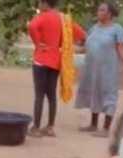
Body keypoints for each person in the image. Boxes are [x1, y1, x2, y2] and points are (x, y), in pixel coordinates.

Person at [76, 2, 123, 137]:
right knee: (94, 93)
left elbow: (122, 51)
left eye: (102, 10)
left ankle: (105, 129)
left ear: (110, 14)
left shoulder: (117, 29)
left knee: (109, 96)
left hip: (108, 70)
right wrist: (71, 51)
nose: (99, 12)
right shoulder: (94, 28)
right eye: (99, 10)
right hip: (92, 69)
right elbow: (88, 47)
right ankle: (93, 125)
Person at [27, 0, 86, 137]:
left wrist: (38, 43)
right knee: (51, 95)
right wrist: (71, 45)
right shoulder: (64, 18)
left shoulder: (41, 16)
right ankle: (50, 127)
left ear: (45, 3)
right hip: (56, 60)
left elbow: (32, 27)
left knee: (39, 95)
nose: (39, 6)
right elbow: (82, 34)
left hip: (41, 59)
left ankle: (36, 128)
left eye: (39, 3)